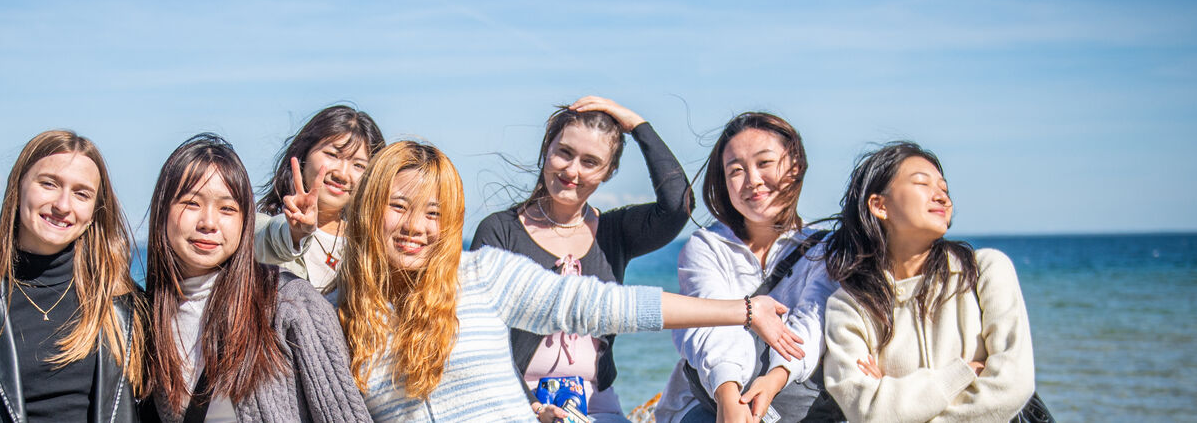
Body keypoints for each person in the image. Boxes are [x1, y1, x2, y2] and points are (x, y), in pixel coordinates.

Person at [334, 140, 805, 423]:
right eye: (399, 206)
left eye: (433, 213)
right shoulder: (341, 313)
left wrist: (743, 310)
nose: (415, 227)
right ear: (370, 207)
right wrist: (295, 237)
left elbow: (606, 306)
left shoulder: (480, 275)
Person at [470, 96, 693, 423]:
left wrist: (636, 125)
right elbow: (481, 336)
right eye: (564, 153)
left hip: (595, 405)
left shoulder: (614, 232)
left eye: (590, 162)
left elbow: (678, 205)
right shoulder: (500, 231)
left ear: (609, 171)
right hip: (513, 403)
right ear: (547, 149)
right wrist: (533, 407)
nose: (572, 170)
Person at [139, 134, 371, 423]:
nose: (208, 223)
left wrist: (295, 233)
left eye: (227, 208)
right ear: (162, 210)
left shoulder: (290, 304)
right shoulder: (142, 321)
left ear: (245, 220)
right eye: (191, 203)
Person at [0, 130, 146, 422]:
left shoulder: (127, 306)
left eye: (81, 193)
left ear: (94, 213)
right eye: (49, 184)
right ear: (18, 187)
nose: (63, 205)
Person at [819, 142, 1035, 422]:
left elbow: (1012, 385)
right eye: (922, 183)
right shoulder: (850, 305)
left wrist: (896, 400)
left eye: (945, 189)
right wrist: (963, 373)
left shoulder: (985, 270)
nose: (942, 197)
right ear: (880, 205)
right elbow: (867, 410)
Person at [655, 112, 838, 423]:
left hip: (791, 402)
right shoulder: (707, 246)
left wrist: (775, 378)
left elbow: (812, 323)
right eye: (736, 171)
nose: (753, 180)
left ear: (795, 167)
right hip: (709, 401)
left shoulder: (825, 248)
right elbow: (711, 326)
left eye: (764, 163)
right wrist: (729, 397)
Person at [256, 105, 385, 295]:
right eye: (332, 155)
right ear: (304, 153)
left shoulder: (372, 245)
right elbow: (268, 237)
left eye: (358, 165)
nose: (342, 174)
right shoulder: (260, 228)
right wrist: (294, 234)